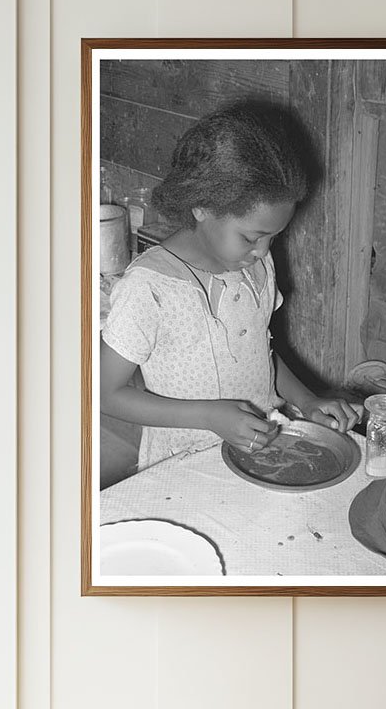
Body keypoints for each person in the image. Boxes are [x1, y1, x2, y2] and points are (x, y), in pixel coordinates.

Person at [100, 102, 361, 477]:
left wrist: (307, 400)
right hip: (183, 464)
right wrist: (208, 416)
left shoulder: (253, 267)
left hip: (262, 447)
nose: (264, 251)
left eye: (273, 237)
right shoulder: (149, 289)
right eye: (252, 237)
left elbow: (258, 351)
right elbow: (106, 394)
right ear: (202, 207)